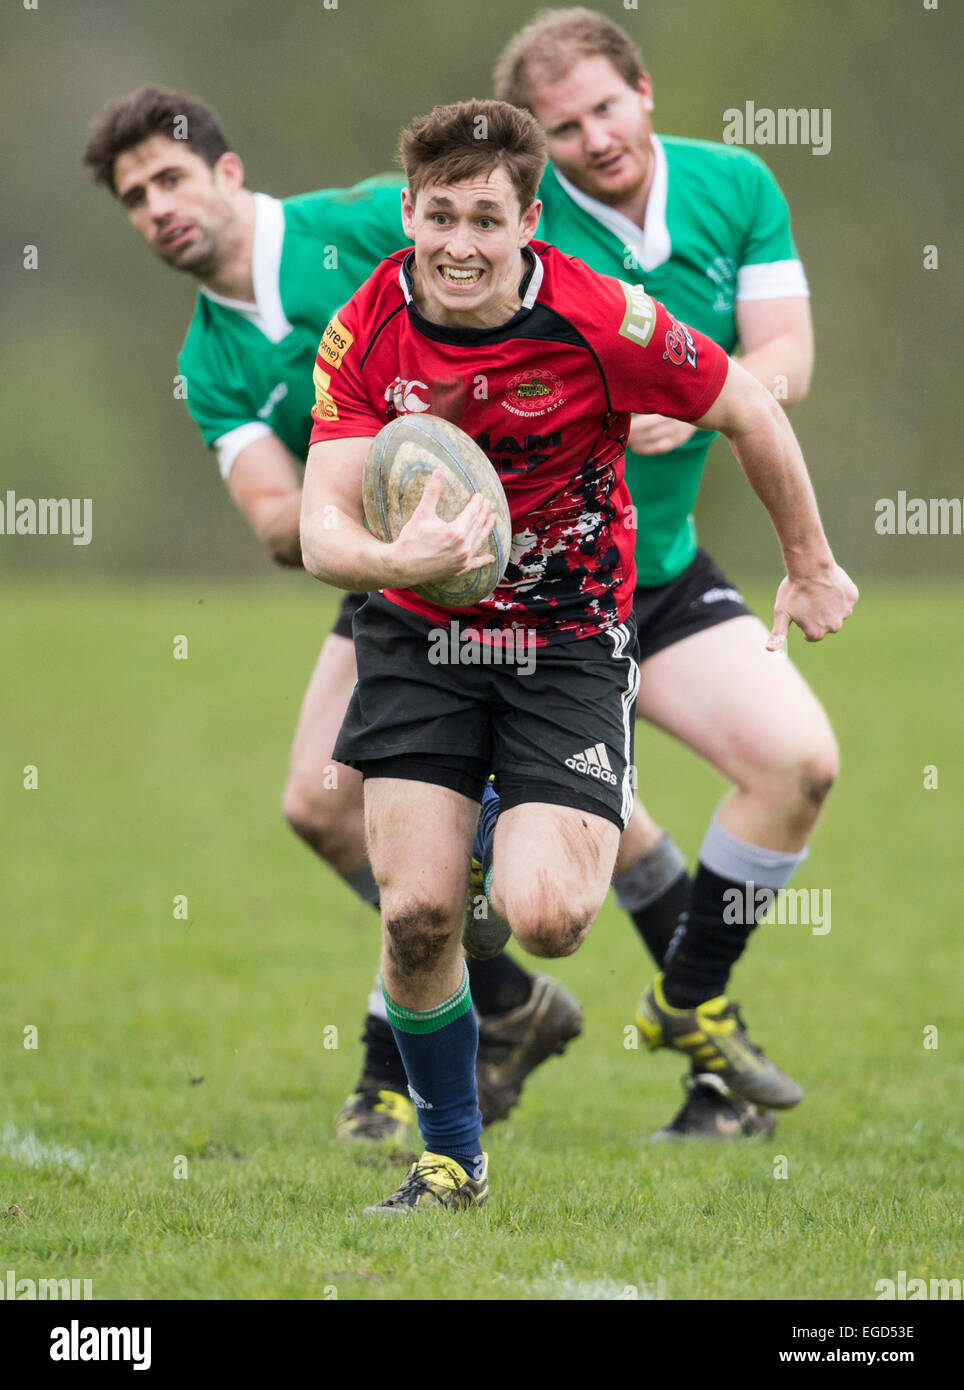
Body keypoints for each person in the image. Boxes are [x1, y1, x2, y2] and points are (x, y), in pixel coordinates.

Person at [300, 98, 857, 1213]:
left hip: (567, 646)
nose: (459, 242)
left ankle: (508, 806)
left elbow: (749, 406)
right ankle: (452, 1160)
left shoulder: (605, 318)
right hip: (420, 635)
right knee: (415, 915)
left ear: (529, 221)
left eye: (486, 219)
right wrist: (389, 550)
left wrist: (808, 559)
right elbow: (321, 526)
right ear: (407, 212)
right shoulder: (365, 328)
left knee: (548, 919)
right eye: (439, 215)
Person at [81, 86, 582, 1154]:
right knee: (322, 807)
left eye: (170, 177)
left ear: (226, 171)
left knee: (547, 846)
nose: (157, 205)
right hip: (390, 574)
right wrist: (356, 511)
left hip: (540, 565)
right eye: (134, 197)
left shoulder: (359, 221)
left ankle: (454, 1046)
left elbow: (535, 266)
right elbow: (274, 515)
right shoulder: (207, 363)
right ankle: (500, 995)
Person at [494, 8, 842, 1137]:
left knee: (798, 763)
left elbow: (783, 355)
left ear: (642, 89)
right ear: (537, 147)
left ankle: (689, 1005)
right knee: (550, 884)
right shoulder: (526, 240)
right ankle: (410, 1082)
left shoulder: (733, 186)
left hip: (666, 575)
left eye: (605, 105)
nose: (594, 135)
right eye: (563, 125)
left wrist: (712, 387)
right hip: (544, 604)